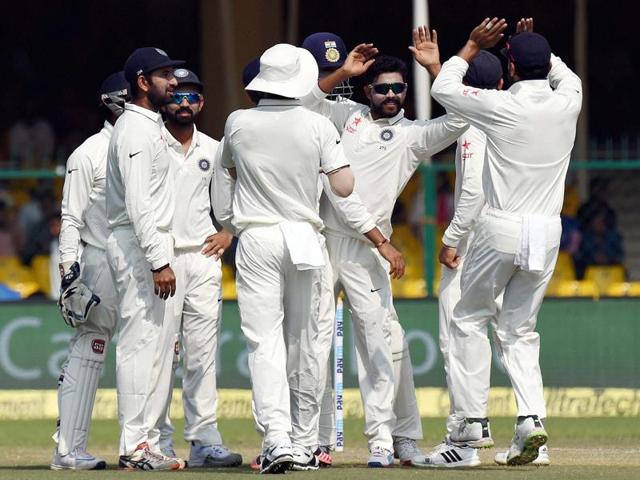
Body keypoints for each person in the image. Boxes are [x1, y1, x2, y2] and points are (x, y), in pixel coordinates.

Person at [215, 43, 403, 474]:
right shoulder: (317, 124)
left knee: (265, 343)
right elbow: (342, 188)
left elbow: (223, 176)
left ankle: (277, 438)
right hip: (303, 235)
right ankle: (302, 442)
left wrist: (232, 221)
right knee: (308, 344)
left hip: (257, 236)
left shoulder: (237, 122)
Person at [302, 36, 468, 466]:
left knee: (382, 344)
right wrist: (343, 72)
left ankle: (387, 438)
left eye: (398, 88)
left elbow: (463, 119)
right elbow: (303, 105)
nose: (392, 95)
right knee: (315, 341)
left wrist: (437, 70)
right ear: (366, 92)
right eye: (382, 88)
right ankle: (317, 439)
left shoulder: (412, 134)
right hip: (323, 241)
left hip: (367, 249)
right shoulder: (346, 116)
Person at [431, 17, 582, 466]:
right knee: (519, 332)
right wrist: (533, 44)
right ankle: (531, 424)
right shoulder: (569, 100)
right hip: (547, 231)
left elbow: (443, 87)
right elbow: (563, 72)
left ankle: (473, 422)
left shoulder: (499, 105)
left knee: (467, 317)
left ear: (510, 66)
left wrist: (473, 45)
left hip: (501, 227)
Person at [153, 67, 241, 468]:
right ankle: (157, 439)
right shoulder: (151, 143)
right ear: (165, 100)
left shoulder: (215, 147)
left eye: (192, 97)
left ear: (201, 104)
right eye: (177, 96)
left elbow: (232, 201)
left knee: (202, 356)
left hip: (204, 259)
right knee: (160, 353)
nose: (184, 103)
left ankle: (204, 438)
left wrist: (230, 231)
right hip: (162, 260)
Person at [105, 47, 186, 471]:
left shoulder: (149, 125)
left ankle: (147, 442)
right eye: (165, 75)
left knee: (158, 349)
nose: (173, 82)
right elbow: (138, 203)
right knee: (140, 347)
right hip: (140, 247)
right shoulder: (134, 130)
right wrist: (158, 260)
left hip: (150, 243)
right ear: (142, 81)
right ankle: (135, 446)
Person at [50, 72, 129, 471]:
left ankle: (143, 445)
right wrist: (69, 270)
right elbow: (71, 218)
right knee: (90, 349)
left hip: (144, 262)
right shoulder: (88, 153)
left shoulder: (156, 146)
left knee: (152, 354)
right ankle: (68, 449)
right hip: (100, 260)